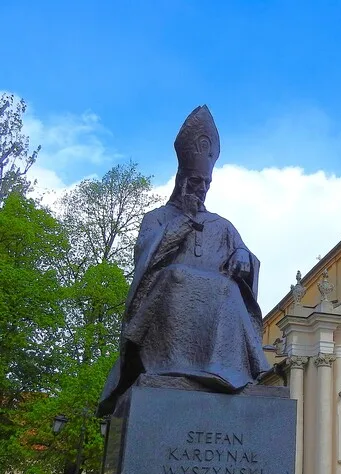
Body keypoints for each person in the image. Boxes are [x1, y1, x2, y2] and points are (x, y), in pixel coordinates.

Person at [97, 105, 271, 416]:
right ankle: (171, 366)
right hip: (167, 298)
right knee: (175, 276)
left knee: (229, 291)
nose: (201, 189)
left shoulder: (224, 225)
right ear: (180, 180)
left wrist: (244, 256)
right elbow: (146, 262)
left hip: (217, 299)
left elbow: (247, 262)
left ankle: (221, 368)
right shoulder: (158, 218)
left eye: (206, 183)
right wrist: (184, 222)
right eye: (194, 182)